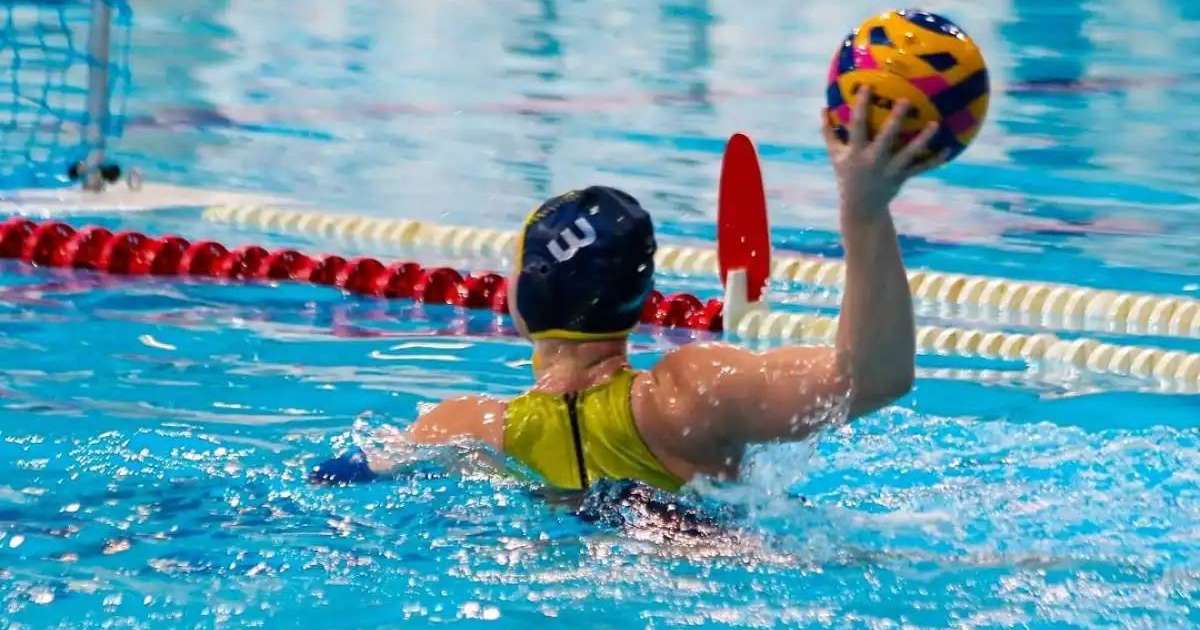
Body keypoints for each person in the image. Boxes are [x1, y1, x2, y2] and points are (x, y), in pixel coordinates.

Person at [310, 88, 944, 492]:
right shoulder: (691, 398)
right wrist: (865, 213)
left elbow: (333, 481)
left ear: (524, 303)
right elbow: (876, 378)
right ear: (642, 305)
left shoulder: (465, 427)